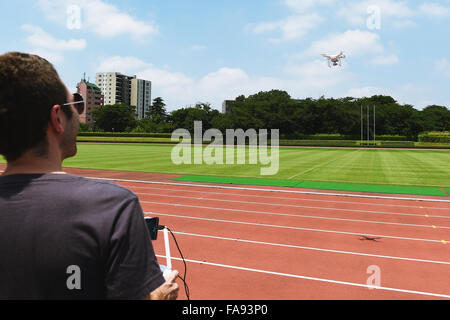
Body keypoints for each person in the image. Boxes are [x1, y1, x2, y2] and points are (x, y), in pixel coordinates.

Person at [0, 52, 179, 300]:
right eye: (75, 103)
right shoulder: (112, 206)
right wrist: (159, 296)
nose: (78, 111)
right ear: (57, 118)